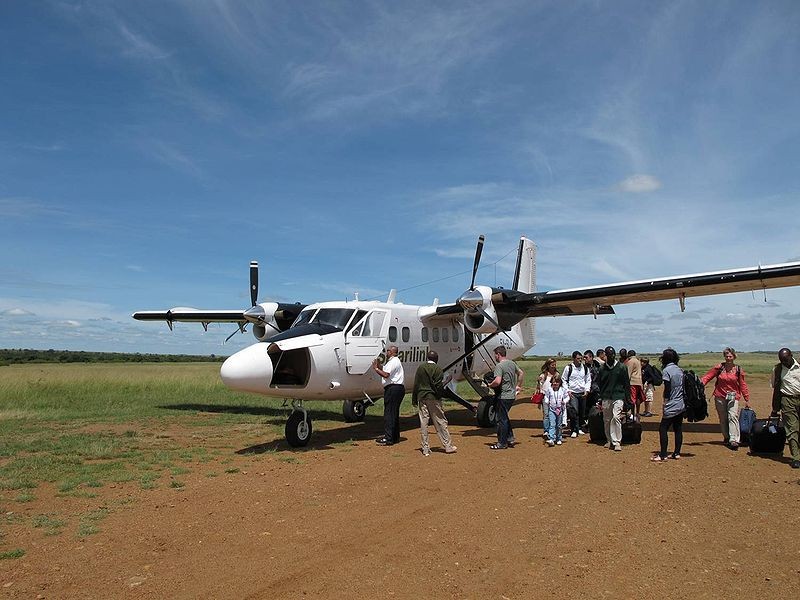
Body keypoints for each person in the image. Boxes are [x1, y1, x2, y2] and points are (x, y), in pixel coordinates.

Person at [701, 347, 751, 450]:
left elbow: (742, 384)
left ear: (734, 357)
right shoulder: (719, 368)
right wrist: (699, 385)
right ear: (724, 357)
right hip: (720, 396)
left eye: (730, 356)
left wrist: (746, 398)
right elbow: (708, 376)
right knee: (723, 418)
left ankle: (734, 440)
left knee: (732, 416)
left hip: (734, 396)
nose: (728, 358)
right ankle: (727, 437)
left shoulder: (738, 370)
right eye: (727, 356)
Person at [412, 350, 457, 456]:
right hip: (433, 398)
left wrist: (414, 398)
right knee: (441, 421)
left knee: (424, 422)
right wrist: (447, 380)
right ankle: (447, 445)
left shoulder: (421, 368)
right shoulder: (438, 369)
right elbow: (438, 386)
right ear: (436, 359)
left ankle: (425, 448)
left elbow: (416, 384)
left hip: (422, 397)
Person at [652, 348, 685, 461]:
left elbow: (667, 388)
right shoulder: (679, 370)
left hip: (671, 403)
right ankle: (676, 453)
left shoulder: (667, 370)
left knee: (663, 428)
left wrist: (665, 401)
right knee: (678, 428)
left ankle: (663, 454)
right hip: (681, 403)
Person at [488, 346, 524, 450]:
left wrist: (490, 384)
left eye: (495, 354)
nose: (494, 356)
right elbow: (521, 373)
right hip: (511, 396)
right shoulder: (512, 363)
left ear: (498, 354)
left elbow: (498, 381)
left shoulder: (499, 366)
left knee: (501, 420)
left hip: (503, 396)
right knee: (505, 417)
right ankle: (510, 438)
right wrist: (518, 385)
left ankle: (502, 443)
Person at [771, 348, 800, 469]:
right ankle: (796, 457)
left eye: (786, 360)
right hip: (787, 400)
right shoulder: (777, 369)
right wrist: (775, 407)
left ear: (791, 356)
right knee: (792, 429)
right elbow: (775, 386)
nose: (785, 363)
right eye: (782, 361)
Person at [597, 346, 631, 452]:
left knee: (616, 417)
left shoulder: (621, 367)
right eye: (609, 355)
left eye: (612, 355)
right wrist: (600, 398)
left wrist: (628, 400)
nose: (611, 357)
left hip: (618, 396)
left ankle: (617, 442)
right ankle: (609, 440)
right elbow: (600, 384)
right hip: (606, 397)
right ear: (606, 356)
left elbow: (626, 384)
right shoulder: (602, 368)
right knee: (607, 419)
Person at [372, 345, 405, 446]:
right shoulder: (393, 362)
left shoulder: (394, 361)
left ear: (394, 352)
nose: (387, 352)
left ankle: (388, 438)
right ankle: (394, 437)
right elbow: (386, 369)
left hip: (393, 389)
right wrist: (379, 365)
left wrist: (376, 369)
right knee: (393, 413)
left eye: (389, 351)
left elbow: (386, 374)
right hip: (397, 389)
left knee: (389, 413)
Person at [562, 351, 590, 437]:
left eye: (581, 358)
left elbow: (588, 380)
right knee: (574, 411)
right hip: (572, 393)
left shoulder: (585, 368)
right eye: (578, 358)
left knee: (582, 411)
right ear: (573, 359)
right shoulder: (568, 368)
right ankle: (574, 429)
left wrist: (587, 390)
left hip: (582, 392)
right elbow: (564, 379)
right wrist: (567, 390)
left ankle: (580, 428)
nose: (580, 360)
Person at [544, 374, 568, 446]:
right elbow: (546, 397)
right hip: (552, 409)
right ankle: (551, 438)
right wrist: (547, 401)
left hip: (560, 410)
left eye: (557, 382)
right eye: (554, 382)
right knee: (552, 424)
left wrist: (565, 401)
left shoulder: (562, 390)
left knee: (559, 425)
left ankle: (559, 438)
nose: (555, 384)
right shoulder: (549, 389)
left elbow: (567, 397)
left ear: (560, 383)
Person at [537, 358, 558, 439]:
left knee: (554, 413)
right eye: (552, 365)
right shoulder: (543, 375)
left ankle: (553, 430)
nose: (553, 366)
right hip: (545, 396)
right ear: (548, 365)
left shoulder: (557, 374)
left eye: (555, 365)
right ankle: (546, 430)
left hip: (555, 397)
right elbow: (540, 385)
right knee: (546, 414)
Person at [583, 350, 601, 427]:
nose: (584, 359)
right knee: (586, 408)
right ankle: (587, 423)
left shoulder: (598, 366)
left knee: (596, 407)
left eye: (586, 357)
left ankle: (595, 423)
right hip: (587, 391)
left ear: (591, 357)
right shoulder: (583, 367)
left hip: (596, 390)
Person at [626, 350, 645, 419]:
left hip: (632, 382)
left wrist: (626, 383)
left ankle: (632, 413)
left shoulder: (630, 361)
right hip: (639, 382)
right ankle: (637, 412)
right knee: (638, 398)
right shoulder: (638, 361)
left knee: (632, 399)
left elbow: (628, 373)